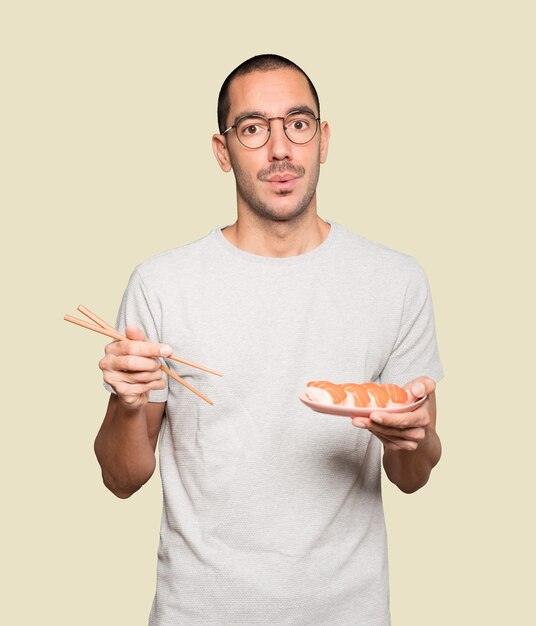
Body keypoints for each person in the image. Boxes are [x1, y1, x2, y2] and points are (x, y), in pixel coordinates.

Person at [95, 54, 444, 626]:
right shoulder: (162, 284)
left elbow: (413, 476)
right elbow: (121, 478)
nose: (279, 148)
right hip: (199, 611)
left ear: (323, 139)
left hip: (348, 612)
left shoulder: (395, 281)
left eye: (298, 124)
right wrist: (128, 402)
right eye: (253, 128)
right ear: (221, 150)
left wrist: (412, 434)